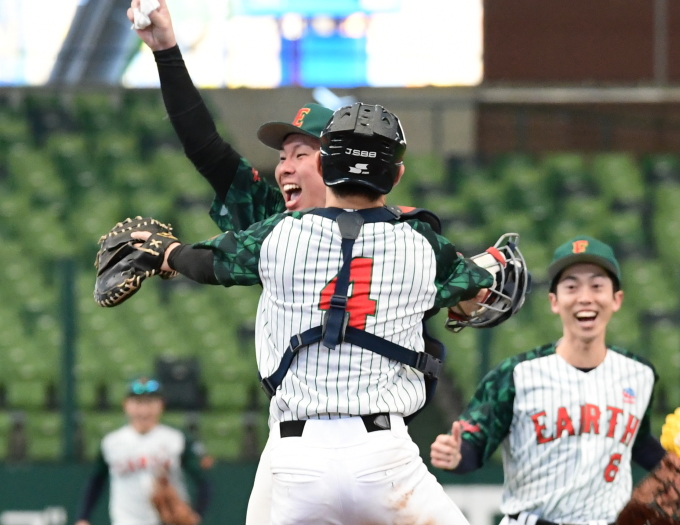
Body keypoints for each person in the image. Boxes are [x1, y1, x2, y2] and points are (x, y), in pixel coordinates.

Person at [125, 3, 442, 523]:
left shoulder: (398, 232)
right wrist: (166, 53)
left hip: (379, 428)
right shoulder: (273, 221)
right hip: (296, 431)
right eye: (283, 155)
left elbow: (450, 282)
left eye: (301, 153)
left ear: (338, 160)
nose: (285, 167)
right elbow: (208, 150)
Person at [131, 102, 495, 524]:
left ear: (325, 166)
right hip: (383, 454)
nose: (287, 165)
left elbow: (207, 264)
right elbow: (480, 291)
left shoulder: (278, 232)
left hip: (296, 455)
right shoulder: (423, 242)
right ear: (396, 175)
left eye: (302, 155)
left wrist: (166, 252)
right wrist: (485, 283)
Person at [430, 236, 667, 525]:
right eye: (571, 287)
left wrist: (676, 468)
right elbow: (474, 442)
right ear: (554, 301)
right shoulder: (517, 374)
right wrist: (457, 455)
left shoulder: (639, 375)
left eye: (597, 286)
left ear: (616, 299)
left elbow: (636, 440)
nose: (585, 297)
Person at [75, 378, 210, 525]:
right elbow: (96, 482)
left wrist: (197, 513)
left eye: (150, 402)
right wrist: (84, 517)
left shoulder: (176, 439)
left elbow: (203, 481)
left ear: (161, 404)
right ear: (126, 404)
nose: (144, 410)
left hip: (166, 521)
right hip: (126, 520)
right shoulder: (111, 442)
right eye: (138, 403)